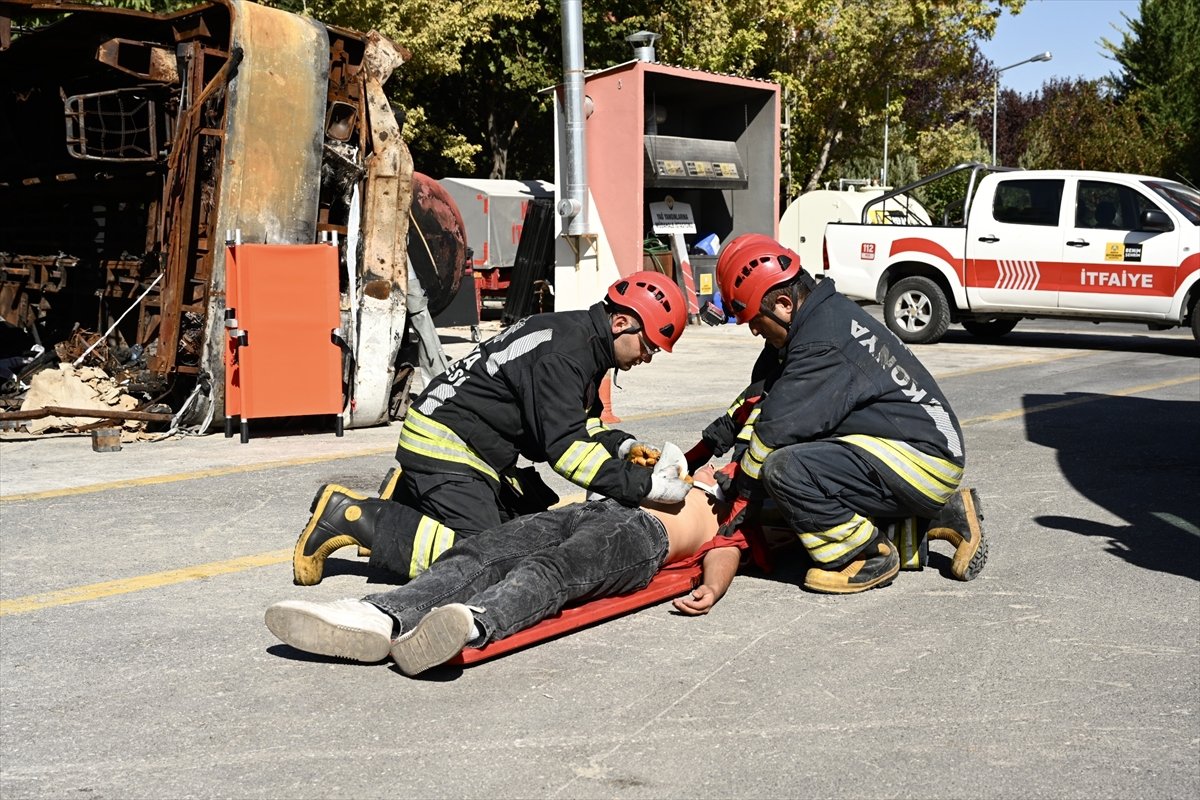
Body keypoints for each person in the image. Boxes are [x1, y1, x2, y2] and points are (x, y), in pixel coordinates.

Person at [292, 271, 692, 587]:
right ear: (622, 322)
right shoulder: (566, 355)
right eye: (649, 346)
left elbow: (576, 422)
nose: (648, 357)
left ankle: (409, 502)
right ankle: (351, 516)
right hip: (447, 445)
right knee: (486, 559)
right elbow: (567, 451)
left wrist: (625, 448)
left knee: (522, 532)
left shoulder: (581, 340)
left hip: (469, 446)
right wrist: (647, 488)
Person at [689, 233, 986, 594]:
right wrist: (703, 450)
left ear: (783, 303)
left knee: (785, 471)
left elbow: (771, 436)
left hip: (921, 459)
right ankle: (945, 514)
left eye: (753, 319)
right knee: (788, 496)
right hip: (916, 450)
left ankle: (867, 556)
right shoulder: (816, 318)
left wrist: (735, 514)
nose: (752, 329)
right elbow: (761, 398)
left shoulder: (821, 344)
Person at [265, 466, 746, 676]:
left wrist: (712, 586)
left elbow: (730, 546)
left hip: (643, 538)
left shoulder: (744, 500)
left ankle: (471, 623)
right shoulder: (704, 463)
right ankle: (378, 615)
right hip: (592, 508)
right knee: (480, 553)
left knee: (553, 570)